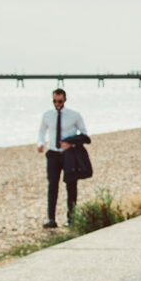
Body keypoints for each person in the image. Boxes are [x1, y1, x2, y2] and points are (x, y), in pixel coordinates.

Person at [36, 88, 87, 228]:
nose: (57, 104)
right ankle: (51, 219)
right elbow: (41, 131)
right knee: (52, 186)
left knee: (71, 186)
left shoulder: (74, 115)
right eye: (54, 101)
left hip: (69, 155)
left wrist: (71, 142)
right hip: (52, 154)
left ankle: (71, 218)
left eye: (59, 101)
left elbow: (84, 134)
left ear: (65, 100)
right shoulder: (47, 115)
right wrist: (40, 143)